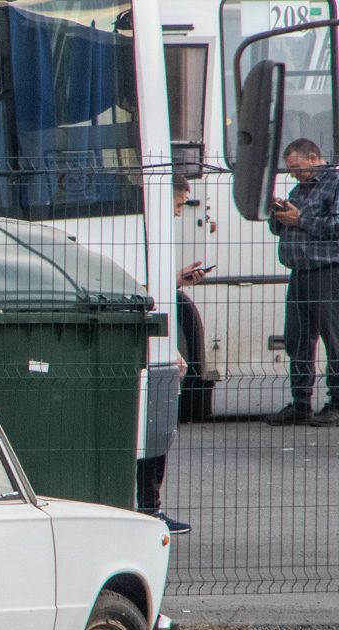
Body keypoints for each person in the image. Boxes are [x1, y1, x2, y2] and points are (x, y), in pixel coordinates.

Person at [136, 174, 204, 535]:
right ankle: (149, 507)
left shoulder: (149, 234)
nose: (180, 213)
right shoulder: (149, 235)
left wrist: (176, 280)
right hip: (152, 346)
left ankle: (147, 504)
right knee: (154, 428)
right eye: (178, 205)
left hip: (154, 343)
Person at [264, 138, 339, 427]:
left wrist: (301, 219)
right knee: (297, 339)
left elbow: (335, 226)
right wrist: (279, 214)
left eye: (296, 167)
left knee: (333, 341)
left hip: (326, 271)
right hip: (300, 272)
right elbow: (282, 225)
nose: (293, 174)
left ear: (313, 157)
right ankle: (300, 403)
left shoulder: (333, 184)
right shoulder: (300, 188)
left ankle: (336, 403)